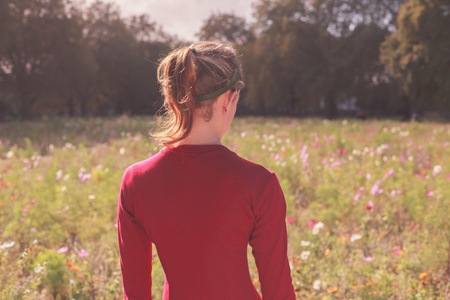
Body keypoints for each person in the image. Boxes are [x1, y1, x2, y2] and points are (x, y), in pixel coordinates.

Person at [117, 41, 296, 300]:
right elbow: (278, 292)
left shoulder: (135, 181)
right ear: (229, 99)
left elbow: (135, 294)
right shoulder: (260, 183)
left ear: (171, 98)